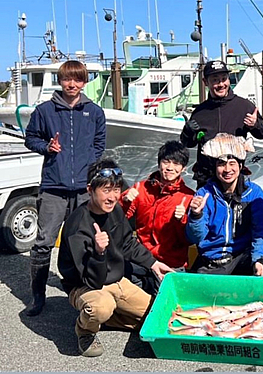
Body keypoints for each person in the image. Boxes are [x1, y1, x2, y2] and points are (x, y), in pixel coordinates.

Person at [57, 158, 171, 357]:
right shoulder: (78, 226)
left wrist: (153, 264)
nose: (112, 197)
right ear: (90, 190)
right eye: (106, 190)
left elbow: (128, 243)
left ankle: (107, 318)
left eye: (116, 190)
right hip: (85, 286)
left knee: (157, 319)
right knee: (101, 307)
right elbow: (91, 280)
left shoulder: (115, 210)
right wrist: (99, 252)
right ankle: (85, 330)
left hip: (117, 281)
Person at [24, 60, 106, 316]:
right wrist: (46, 147)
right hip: (53, 187)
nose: (72, 84)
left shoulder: (94, 112)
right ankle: (38, 295)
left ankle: (80, 288)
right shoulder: (45, 111)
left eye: (78, 79)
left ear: (84, 82)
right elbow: (31, 138)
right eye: (67, 79)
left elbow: (99, 143)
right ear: (61, 81)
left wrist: (89, 166)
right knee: (43, 242)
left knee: (82, 240)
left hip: (84, 188)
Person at [186, 133, 263, 275]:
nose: (227, 170)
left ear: (240, 165)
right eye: (221, 164)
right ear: (215, 167)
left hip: (241, 259)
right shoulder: (204, 194)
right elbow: (195, 238)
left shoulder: (254, 193)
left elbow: (261, 231)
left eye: (232, 163)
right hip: (210, 262)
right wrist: (196, 215)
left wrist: (260, 259)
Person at [180, 60, 263, 187]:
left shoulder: (244, 106)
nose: (221, 84)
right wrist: (187, 131)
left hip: (233, 177)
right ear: (206, 82)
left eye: (224, 79)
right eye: (215, 80)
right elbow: (188, 143)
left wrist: (255, 125)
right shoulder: (200, 112)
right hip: (207, 179)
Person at [119, 141, 194, 293]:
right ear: (159, 163)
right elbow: (118, 220)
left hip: (171, 263)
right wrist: (124, 201)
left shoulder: (189, 196)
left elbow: (189, 239)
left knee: (165, 309)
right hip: (142, 258)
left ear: (183, 168)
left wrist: (182, 220)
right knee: (129, 302)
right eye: (166, 162)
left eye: (176, 163)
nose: (170, 167)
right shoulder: (141, 188)